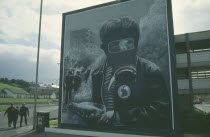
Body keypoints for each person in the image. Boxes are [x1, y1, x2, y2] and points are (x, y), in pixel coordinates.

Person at [91, 16, 171, 129]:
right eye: (114, 45)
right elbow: (98, 107)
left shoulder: (150, 71)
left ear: (136, 44)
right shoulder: (98, 75)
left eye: (128, 43)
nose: (123, 50)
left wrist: (119, 117)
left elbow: (162, 112)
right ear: (104, 48)